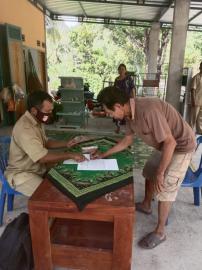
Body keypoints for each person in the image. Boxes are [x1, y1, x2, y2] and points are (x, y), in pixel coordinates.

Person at [93, 86, 196, 249]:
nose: (108, 115)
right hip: (165, 145)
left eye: (108, 111)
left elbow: (171, 142)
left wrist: (161, 173)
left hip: (181, 146)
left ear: (118, 106)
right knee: (149, 171)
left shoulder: (147, 110)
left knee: (165, 185)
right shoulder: (128, 116)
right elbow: (127, 141)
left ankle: (160, 231)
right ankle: (147, 205)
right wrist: (104, 155)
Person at [5, 91, 86, 197]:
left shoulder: (37, 120)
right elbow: (42, 158)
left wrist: (67, 143)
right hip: (22, 173)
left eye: (51, 111)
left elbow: (46, 142)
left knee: (69, 177)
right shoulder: (25, 128)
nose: (50, 114)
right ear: (34, 110)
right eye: (47, 111)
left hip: (37, 167)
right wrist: (70, 155)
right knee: (51, 195)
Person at [114, 64, 136, 133]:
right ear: (118, 71)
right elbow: (114, 89)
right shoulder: (116, 79)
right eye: (120, 69)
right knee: (117, 114)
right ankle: (118, 128)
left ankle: (131, 129)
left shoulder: (128, 78)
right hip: (118, 99)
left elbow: (132, 88)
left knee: (128, 115)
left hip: (127, 99)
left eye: (123, 69)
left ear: (125, 70)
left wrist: (134, 98)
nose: (121, 70)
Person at [190, 62, 202, 134]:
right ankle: (190, 133)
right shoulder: (196, 77)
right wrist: (193, 100)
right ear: (200, 67)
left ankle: (199, 132)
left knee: (200, 119)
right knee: (193, 119)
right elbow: (192, 90)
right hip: (196, 102)